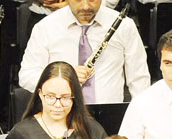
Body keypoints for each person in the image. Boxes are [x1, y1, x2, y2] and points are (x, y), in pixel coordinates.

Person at [18, 0, 150, 105]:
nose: (86, 6)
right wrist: (62, 78)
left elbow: (139, 79)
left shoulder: (124, 25)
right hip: (60, 115)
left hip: (109, 118)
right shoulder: (45, 27)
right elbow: (26, 76)